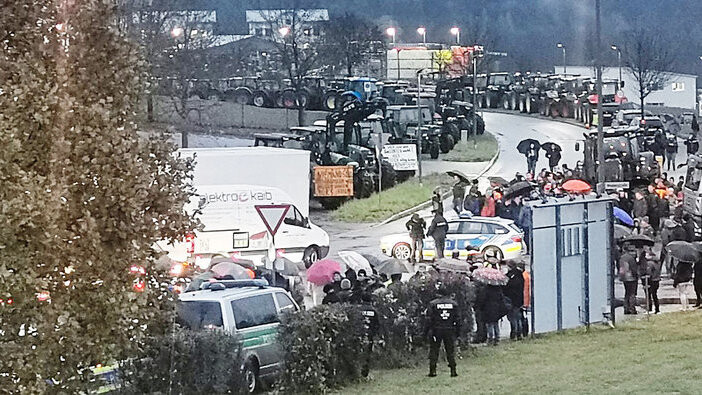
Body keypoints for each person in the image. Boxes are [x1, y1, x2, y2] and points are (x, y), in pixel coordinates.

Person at [425, 286, 460, 377]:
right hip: (450, 329)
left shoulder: (433, 304)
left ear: (438, 294)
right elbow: (458, 319)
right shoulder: (454, 304)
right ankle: (453, 370)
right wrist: (457, 333)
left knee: (434, 350)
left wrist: (426, 332)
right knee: (450, 350)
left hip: (436, 330)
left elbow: (429, 319)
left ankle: (433, 371)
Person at [359, 292, 380, 377]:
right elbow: (377, 324)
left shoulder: (358, 310)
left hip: (360, 334)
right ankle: (365, 371)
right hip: (369, 334)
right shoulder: (373, 310)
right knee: (367, 353)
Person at [504, 260, 525, 340]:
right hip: (519, 299)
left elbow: (507, 287)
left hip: (511, 299)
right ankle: (520, 333)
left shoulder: (511, 276)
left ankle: (514, 333)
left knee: (512, 317)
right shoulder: (520, 275)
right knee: (518, 317)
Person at [618, 244, 639, 315]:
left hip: (624, 277)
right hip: (631, 278)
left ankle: (626, 308)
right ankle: (632, 308)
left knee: (627, 293)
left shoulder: (622, 257)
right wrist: (636, 275)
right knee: (632, 293)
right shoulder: (631, 258)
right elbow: (633, 269)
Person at [641, 247, 662, 314]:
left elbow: (649, 272)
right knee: (655, 295)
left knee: (649, 295)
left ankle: (649, 308)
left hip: (651, 280)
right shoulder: (657, 262)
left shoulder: (650, 263)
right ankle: (657, 308)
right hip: (657, 280)